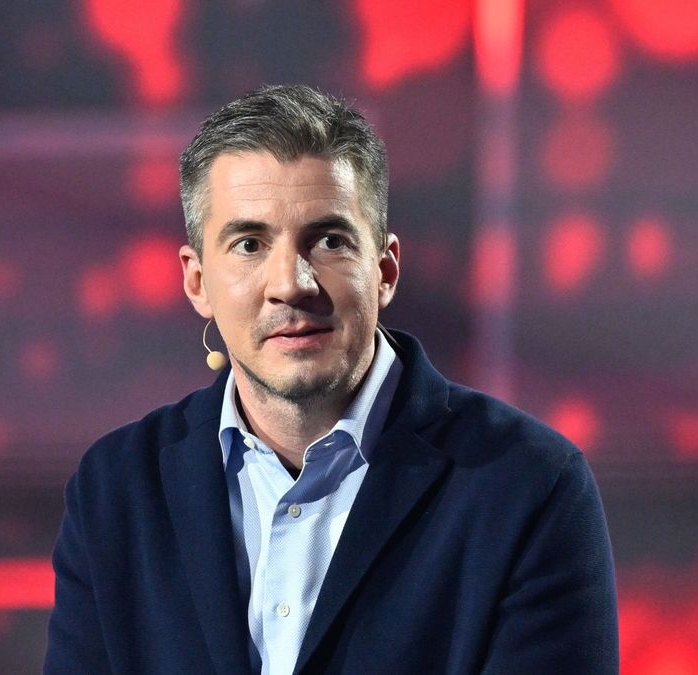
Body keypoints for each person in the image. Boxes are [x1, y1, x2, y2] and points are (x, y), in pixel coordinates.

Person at [45, 84, 619, 674]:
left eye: (328, 241)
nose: (290, 284)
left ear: (385, 270)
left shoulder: (528, 485)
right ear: (197, 282)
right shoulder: (115, 489)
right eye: (249, 244)